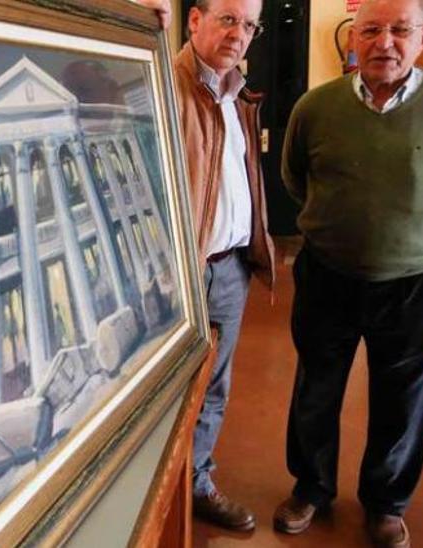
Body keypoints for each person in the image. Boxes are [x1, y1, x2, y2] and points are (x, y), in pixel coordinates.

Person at [274, 0, 423, 546]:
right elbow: (295, 177)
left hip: (414, 282)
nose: (384, 43)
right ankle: (311, 488)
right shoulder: (315, 107)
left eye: (400, 30)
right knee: (317, 388)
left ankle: (387, 503)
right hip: (328, 274)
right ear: (353, 37)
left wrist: (414, 231)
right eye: (371, 30)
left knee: (403, 396)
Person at [171, 0, 277, 532]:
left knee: (215, 385)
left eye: (249, 24)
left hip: (230, 269)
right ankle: (160, 501)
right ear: (195, 20)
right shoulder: (164, 84)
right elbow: (87, 83)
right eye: (228, 19)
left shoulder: (238, 94)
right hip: (182, 275)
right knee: (169, 392)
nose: (240, 33)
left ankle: (197, 481)